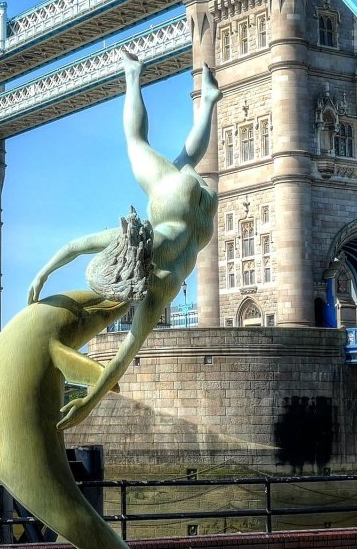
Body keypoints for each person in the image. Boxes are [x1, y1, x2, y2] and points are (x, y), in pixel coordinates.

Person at [27, 52, 220, 429]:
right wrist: (43, 274)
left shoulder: (161, 287)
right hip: (174, 199)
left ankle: (207, 99)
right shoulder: (140, 238)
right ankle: (134, 74)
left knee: (180, 157)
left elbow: (123, 356)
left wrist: (88, 401)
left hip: (203, 215)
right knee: (138, 142)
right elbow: (76, 245)